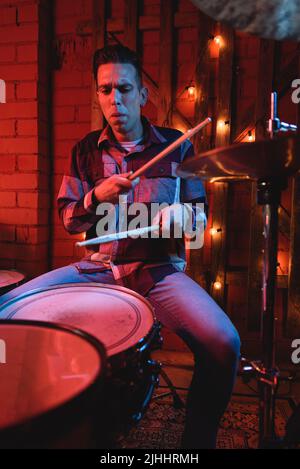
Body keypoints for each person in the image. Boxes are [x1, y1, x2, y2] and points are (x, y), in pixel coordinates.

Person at [0, 45, 240, 449]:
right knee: (7, 311)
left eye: (124, 89)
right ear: (97, 94)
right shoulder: (84, 151)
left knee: (224, 342)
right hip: (97, 267)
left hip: (156, 269)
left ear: (143, 94)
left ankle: (198, 443)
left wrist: (183, 217)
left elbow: (198, 221)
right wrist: (97, 196)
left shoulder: (177, 145)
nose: (116, 100)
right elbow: (70, 221)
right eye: (106, 90)